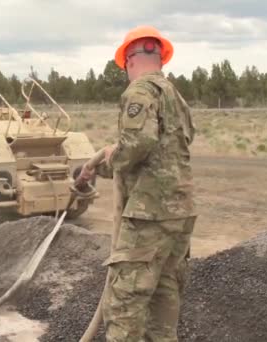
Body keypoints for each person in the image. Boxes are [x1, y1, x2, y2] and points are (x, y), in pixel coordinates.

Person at [77, 25, 196, 341]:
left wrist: (106, 160)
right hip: (180, 214)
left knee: (124, 305)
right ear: (160, 57)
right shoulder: (176, 96)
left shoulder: (140, 90)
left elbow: (138, 144)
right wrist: (97, 167)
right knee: (163, 302)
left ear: (129, 60)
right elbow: (163, 152)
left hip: (148, 215)